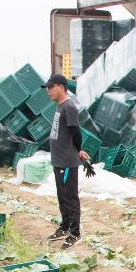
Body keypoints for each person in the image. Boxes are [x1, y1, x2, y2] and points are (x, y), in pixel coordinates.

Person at [45, 74, 90, 248]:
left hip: (67, 162)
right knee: (62, 197)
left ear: (61, 87)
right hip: (59, 160)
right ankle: (65, 227)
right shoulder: (60, 106)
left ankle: (76, 233)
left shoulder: (69, 106)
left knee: (70, 198)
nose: (48, 91)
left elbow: (76, 132)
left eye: (51, 87)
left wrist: (78, 151)